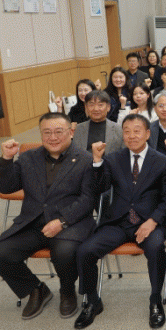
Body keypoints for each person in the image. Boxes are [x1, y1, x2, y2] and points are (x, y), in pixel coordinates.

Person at [74, 114, 166, 329]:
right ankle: (92, 301)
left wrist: (153, 221)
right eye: (127, 131)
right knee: (85, 251)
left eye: (137, 131)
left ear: (147, 134)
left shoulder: (160, 160)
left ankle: (155, 300)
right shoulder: (113, 158)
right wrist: (97, 161)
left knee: (156, 248)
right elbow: (100, 188)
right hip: (118, 221)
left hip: (149, 222)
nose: (131, 136)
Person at [0, 113, 94, 320]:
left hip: (71, 223)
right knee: (2, 252)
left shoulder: (85, 159)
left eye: (58, 131)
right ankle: (36, 289)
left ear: (71, 132)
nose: (53, 137)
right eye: (47, 132)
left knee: (64, 252)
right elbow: (6, 187)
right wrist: (6, 160)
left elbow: (88, 199)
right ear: (41, 134)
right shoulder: (28, 157)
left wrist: (62, 221)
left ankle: (67, 290)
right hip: (33, 222)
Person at [72, 90, 124, 155]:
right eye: (91, 105)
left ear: (108, 107)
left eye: (100, 105)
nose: (96, 109)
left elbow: (123, 153)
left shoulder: (118, 129)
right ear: (86, 107)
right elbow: (75, 154)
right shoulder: (79, 128)